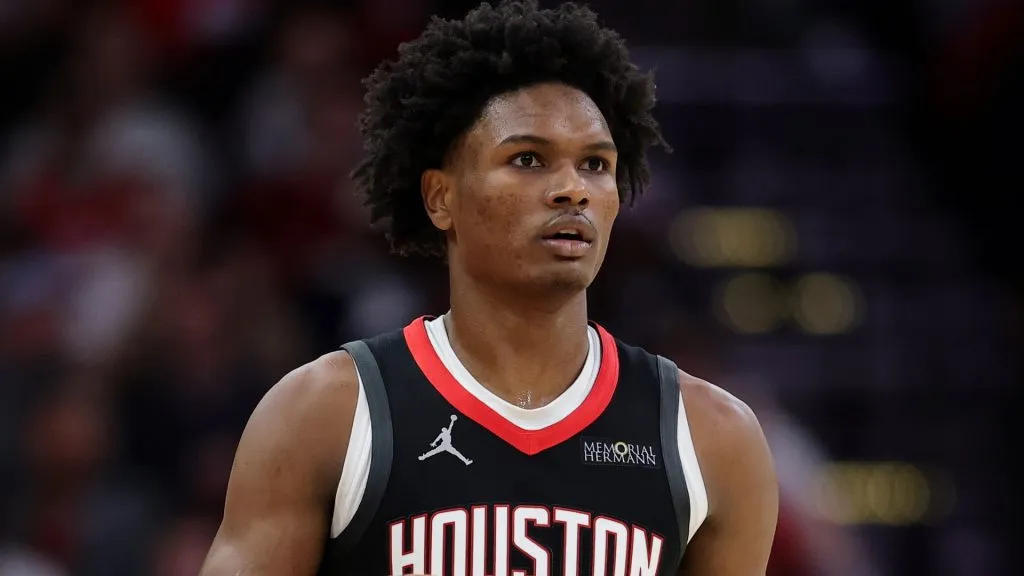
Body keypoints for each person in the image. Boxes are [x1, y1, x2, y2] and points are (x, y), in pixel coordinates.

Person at [199, 1, 778, 575]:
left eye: (596, 165)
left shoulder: (710, 439)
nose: (572, 190)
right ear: (439, 198)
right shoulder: (326, 415)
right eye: (528, 159)